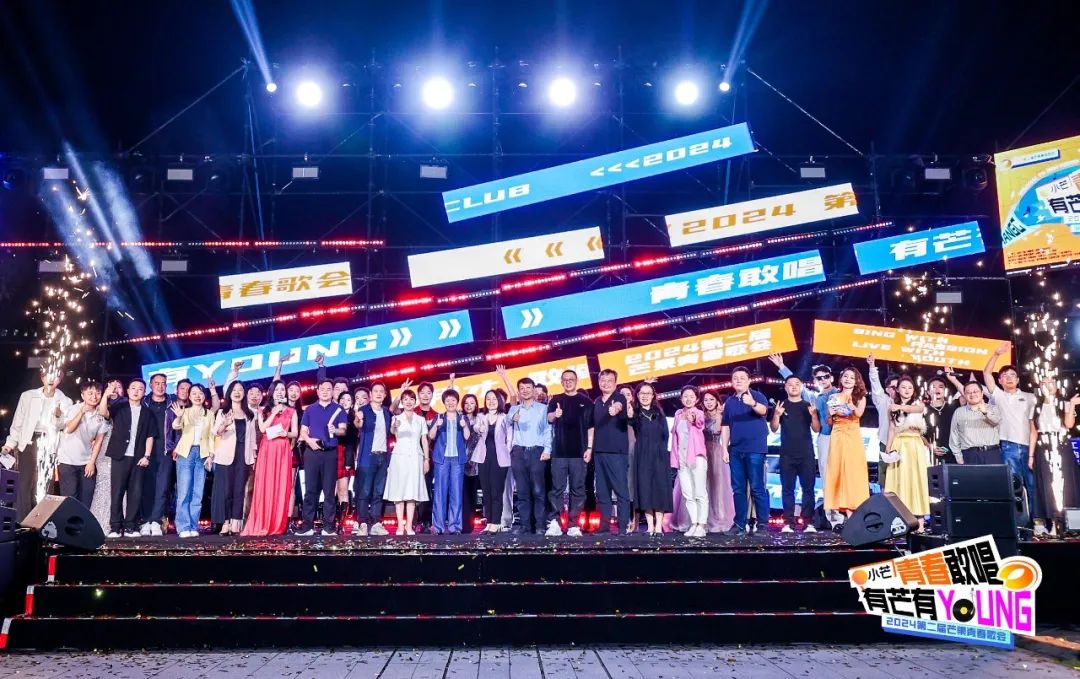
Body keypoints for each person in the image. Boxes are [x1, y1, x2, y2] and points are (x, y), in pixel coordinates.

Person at [767, 355, 840, 526]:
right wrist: (782, 367)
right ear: (814, 381)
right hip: (823, 438)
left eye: (826, 377)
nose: (823, 380)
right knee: (824, 477)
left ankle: (846, 514)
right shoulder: (812, 399)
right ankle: (830, 516)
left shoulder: (839, 394)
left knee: (842, 476)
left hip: (842, 437)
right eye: (819, 378)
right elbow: (795, 385)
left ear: (832, 378)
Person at [2, 370, 72, 521]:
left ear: (60, 379)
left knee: (45, 484)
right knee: (24, 483)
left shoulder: (65, 401)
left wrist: (58, 416)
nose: (51, 380)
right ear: (42, 377)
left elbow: (63, 426)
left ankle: (42, 521)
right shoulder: (28, 396)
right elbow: (18, 422)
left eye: (56, 377)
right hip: (29, 441)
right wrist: (10, 443)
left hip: (49, 444)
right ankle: (22, 521)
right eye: (48, 376)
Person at [983, 342, 1037, 523]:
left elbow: (1034, 425)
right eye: (1004, 376)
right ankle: (1019, 523)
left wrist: (1033, 453)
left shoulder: (1030, 397)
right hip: (1008, 446)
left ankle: (1037, 522)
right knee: (1014, 486)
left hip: (1029, 448)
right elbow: (986, 374)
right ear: (1000, 381)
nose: (1009, 378)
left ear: (1018, 379)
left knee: (1033, 485)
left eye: (1012, 375)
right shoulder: (999, 396)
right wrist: (996, 354)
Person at [98, 379, 156, 538]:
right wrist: (106, 395)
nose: (136, 391)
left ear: (144, 393)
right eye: (133, 388)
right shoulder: (119, 407)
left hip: (138, 458)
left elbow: (150, 436)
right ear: (128, 391)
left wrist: (147, 456)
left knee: (135, 493)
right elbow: (103, 412)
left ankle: (131, 526)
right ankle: (115, 527)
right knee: (117, 492)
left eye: (140, 389)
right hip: (120, 456)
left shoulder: (147, 413)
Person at [242, 381, 298, 536]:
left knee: (280, 485)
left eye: (282, 389)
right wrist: (274, 412)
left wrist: (286, 434)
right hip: (267, 449)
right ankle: (262, 522)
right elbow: (262, 428)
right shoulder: (263, 410)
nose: (280, 392)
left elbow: (295, 432)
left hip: (282, 449)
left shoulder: (292, 411)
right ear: (272, 392)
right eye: (277, 389)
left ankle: (276, 524)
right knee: (264, 485)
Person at [721, 367, 770, 535]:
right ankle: (739, 524)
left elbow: (764, 411)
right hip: (735, 450)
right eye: (735, 378)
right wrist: (724, 449)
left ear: (749, 380)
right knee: (738, 488)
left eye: (742, 378)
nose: (739, 380)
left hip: (755, 449)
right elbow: (725, 426)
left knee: (757, 487)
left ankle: (762, 524)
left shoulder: (757, 396)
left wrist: (753, 403)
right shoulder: (729, 402)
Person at [769, 374, 821, 533]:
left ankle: (808, 522)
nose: (793, 386)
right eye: (790, 384)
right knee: (787, 489)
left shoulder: (808, 405)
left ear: (802, 386)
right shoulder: (781, 405)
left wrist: (814, 415)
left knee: (808, 489)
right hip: (786, 454)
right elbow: (774, 428)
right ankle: (788, 523)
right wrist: (776, 415)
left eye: (797, 384)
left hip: (806, 453)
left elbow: (816, 429)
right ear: (785, 387)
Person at [546, 369, 594, 537]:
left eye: (571, 379)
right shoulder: (555, 400)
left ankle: (574, 524)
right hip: (559, 452)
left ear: (576, 380)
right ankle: (555, 523)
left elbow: (591, 428)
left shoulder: (586, 402)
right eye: (565, 380)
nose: (568, 382)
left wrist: (589, 448)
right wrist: (555, 414)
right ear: (561, 382)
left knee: (578, 489)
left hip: (579, 453)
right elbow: (549, 418)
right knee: (556, 489)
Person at [297, 379, 348, 536]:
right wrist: (309, 441)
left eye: (329, 389)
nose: (325, 392)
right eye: (322, 389)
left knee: (329, 491)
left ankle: (328, 527)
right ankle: (307, 526)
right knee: (310, 490)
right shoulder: (310, 409)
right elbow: (303, 431)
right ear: (318, 391)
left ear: (333, 392)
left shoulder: (339, 409)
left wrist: (335, 430)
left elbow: (343, 430)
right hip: (312, 452)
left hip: (330, 453)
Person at [169, 383, 219, 538]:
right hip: (186, 452)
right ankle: (183, 526)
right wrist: (179, 416)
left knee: (198, 492)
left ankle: (193, 525)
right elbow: (176, 426)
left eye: (200, 393)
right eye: (194, 393)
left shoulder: (209, 414)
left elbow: (211, 436)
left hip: (202, 453)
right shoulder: (185, 411)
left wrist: (211, 455)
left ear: (204, 396)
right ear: (189, 396)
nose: (198, 396)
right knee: (184, 491)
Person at [1031, 379, 1079, 536]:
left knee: (1068, 485)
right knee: (1048, 485)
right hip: (1043, 446)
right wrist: (1031, 455)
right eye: (1043, 382)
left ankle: (1073, 525)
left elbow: (1069, 425)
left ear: (1057, 386)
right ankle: (1054, 524)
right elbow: (1033, 432)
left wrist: (1072, 405)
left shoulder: (1064, 403)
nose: (1047, 385)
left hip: (1061, 445)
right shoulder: (1036, 406)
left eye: (1051, 382)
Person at [508, 377, 552, 535]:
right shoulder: (514, 409)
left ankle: (540, 525)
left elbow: (548, 430)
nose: (525, 391)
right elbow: (507, 422)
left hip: (537, 451)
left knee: (538, 491)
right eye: (522, 388)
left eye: (528, 388)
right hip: (518, 452)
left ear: (534, 390)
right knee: (522, 491)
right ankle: (525, 525)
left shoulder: (543, 409)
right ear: (519, 391)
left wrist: (547, 449)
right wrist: (512, 418)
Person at [824, 367, 869, 522]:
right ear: (841, 379)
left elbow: (859, 414)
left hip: (852, 435)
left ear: (856, 381)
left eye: (852, 377)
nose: (848, 379)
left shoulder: (860, 397)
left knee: (853, 472)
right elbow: (829, 421)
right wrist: (830, 415)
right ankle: (842, 511)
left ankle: (854, 509)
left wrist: (852, 406)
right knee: (837, 471)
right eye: (845, 376)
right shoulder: (834, 397)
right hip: (837, 434)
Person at [211, 381, 256, 535]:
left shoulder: (250, 413)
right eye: (234, 390)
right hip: (225, 455)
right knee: (226, 491)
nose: (237, 392)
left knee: (239, 490)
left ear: (244, 393)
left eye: (240, 390)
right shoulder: (223, 412)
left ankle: (236, 523)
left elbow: (252, 438)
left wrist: (254, 456)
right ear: (229, 393)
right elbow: (216, 432)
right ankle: (225, 522)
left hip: (244, 455)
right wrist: (225, 424)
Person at [883, 376, 930, 525]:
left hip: (915, 443)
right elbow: (892, 429)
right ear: (897, 389)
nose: (907, 390)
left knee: (917, 479)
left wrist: (899, 407)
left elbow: (914, 409)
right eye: (903, 387)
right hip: (899, 444)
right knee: (899, 479)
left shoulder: (918, 404)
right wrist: (888, 448)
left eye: (910, 387)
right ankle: (900, 518)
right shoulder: (891, 407)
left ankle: (920, 520)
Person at [384, 389, 430, 535]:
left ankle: (409, 526)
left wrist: (426, 459)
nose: (408, 402)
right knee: (399, 491)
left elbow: (424, 440)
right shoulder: (397, 418)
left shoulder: (420, 419)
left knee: (412, 492)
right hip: (399, 457)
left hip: (416, 457)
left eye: (411, 399)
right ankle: (400, 526)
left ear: (415, 401)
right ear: (402, 402)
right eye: (405, 399)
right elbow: (393, 431)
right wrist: (394, 426)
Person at [56, 382, 108, 508]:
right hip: (67, 460)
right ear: (82, 395)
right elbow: (69, 429)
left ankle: (82, 522)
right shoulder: (73, 409)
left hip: (86, 462)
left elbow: (99, 441)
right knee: (70, 499)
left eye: (98, 393)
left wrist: (91, 462)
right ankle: (68, 521)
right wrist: (81, 412)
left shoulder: (101, 414)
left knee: (86, 499)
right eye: (90, 393)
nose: (94, 397)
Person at [591, 369, 631, 535]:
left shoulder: (619, 397)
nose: (606, 383)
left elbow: (618, 406)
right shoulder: (597, 401)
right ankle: (604, 525)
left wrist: (615, 409)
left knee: (621, 490)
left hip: (617, 452)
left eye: (609, 380)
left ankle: (623, 526)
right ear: (599, 382)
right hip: (599, 452)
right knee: (602, 492)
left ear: (615, 383)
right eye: (603, 380)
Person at [629, 382, 671, 535]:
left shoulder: (659, 414)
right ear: (637, 395)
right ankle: (650, 526)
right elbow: (629, 423)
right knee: (645, 488)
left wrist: (662, 453)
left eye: (648, 393)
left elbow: (666, 435)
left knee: (660, 488)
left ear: (653, 396)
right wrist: (629, 413)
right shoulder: (634, 414)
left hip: (659, 455)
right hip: (642, 455)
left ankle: (658, 526)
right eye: (642, 393)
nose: (645, 396)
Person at [152, 377, 192, 536]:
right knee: (165, 487)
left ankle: (183, 522)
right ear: (176, 390)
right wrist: (174, 447)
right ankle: (162, 520)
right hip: (171, 452)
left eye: (188, 389)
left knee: (184, 489)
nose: (185, 392)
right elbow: (170, 431)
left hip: (189, 453)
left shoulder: (196, 407)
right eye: (182, 388)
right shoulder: (170, 406)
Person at [428, 389, 471, 535]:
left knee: (456, 493)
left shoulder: (462, 418)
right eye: (448, 400)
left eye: (453, 400)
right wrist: (436, 425)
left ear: (457, 401)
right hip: (442, 459)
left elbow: (467, 437)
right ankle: (438, 527)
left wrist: (464, 426)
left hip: (457, 460)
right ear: (444, 403)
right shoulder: (439, 417)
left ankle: (455, 527)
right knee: (440, 493)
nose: (451, 403)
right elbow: (431, 436)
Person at [355, 382, 394, 537]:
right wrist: (358, 420)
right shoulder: (364, 410)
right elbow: (358, 425)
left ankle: (376, 523)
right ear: (370, 394)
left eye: (381, 391)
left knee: (378, 491)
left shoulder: (386, 412)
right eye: (375, 391)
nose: (378, 394)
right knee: (364, 491)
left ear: (384, 395)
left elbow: (391, 431)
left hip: (383, 456)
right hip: (367, 456)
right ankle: (362, 523)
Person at [670, 386, 709, 538]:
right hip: (681, 458)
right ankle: (694, 523)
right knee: (688, 494)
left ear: (697, 399)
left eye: (692, 396)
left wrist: (692, 420)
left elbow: (700, 423)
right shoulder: (678, 414)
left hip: (696, 457)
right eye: (685, 396)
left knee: (700, 493)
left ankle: (702, 525)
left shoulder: (698, 413)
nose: (688, 399)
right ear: (681, 398)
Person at [472, 390, 512, 533]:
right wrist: (479, 428)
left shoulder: (505, 417)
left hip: (499, 458)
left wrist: (507, 452)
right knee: (486, 491)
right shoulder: (480, 416)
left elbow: (510, 438)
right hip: (483, 457)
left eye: (494, 399)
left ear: (499, 401)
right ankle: (489, 522)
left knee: (496, 491)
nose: (491, 401)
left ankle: (496, 522)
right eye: (488, 399)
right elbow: (475, 427)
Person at [138, 372, 171, 536]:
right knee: (145, 486)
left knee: (162, 487)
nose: (160, 386)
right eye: (157, 383)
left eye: (163, 383)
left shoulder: (172, 404)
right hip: (144, 450)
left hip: (164, 450)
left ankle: (156, 521)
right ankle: (145, 520)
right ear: (150, 385)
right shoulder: (143, 402)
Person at [89, 379, 123, 532]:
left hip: (121, 454)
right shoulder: (100, 408)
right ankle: (100, 524)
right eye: (111, 387)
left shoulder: (126, 407)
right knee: (103, 487)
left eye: (118, 387)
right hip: (103, 453)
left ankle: (118, 524)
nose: (115, 389)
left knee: (120, 489)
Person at [701, 391, 735, 533]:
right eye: (706, 400)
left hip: (716, 451)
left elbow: (725, 434)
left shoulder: (722, 416)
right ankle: (702, 517)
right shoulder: (700, 415)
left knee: (718, 485)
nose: (709, 402)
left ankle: (719, 516)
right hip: (701, 451)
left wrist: (721, 415)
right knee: (702, 485)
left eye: (711, 399)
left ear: (717, 401)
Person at [949, 381, 1004, 464]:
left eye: (975, 391)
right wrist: (958, 456)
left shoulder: (993, 409)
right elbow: (954, 435)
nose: (972, 394)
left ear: (982, 393)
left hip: (992, 453)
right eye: (968, 392)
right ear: (965, 395)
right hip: (970, 455)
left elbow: (996, 421)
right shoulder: (959, 412)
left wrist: (985, 412)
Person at [867, 355, 898, 488]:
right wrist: (872, 366)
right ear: (887, 390)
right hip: (885, 443)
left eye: (899, 386)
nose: (897, 390)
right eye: (893, 387)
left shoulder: (908, 403)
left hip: (903, 444)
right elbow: (875, 384)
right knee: (885, 476)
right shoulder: (883, 400)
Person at [925, 372, 961, 464]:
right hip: (932, 456)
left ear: (945, 391)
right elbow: (919, 433)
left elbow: (966, 394)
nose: (937, 389)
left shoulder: (954, 406)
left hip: (954, 454)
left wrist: (953, 380)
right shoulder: (923, 410)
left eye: (941, 387)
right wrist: (930, 446)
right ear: (928, 392)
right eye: (933, 387)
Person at [335, 391, 357, 525]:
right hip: (331, 453)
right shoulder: (333, 415)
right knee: (331, 490)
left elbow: (351, 442)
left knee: (343, 490)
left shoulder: (353, 418)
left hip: (345, 454)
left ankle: (341, 523)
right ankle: (331, 520)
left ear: (352, 403)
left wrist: (349, 460)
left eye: (348, 399)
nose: (344, 401)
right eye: (342, 399)